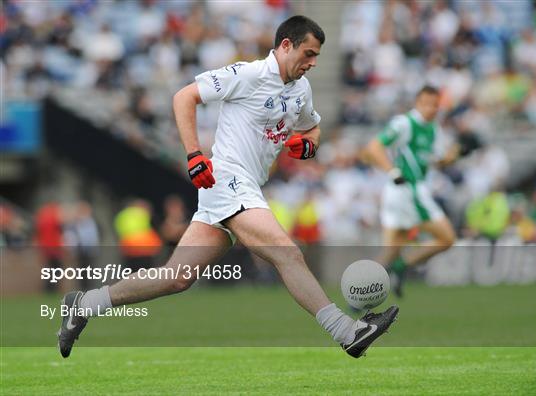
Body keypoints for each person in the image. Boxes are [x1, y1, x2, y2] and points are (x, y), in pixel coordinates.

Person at [58, 15, 398, 359]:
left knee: (176, 277)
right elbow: (184, 97)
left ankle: (85, 303)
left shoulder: (301, 90)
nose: (312, 63)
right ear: (285, 46)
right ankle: (348, 331)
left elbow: (313, 128)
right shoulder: (249, 75)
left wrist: (310, 145)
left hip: (248, 186)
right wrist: (194, 154)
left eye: (316, 57)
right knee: (287, 252)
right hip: (227, 179)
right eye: (308, 54)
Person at [360, 85, 457, 297]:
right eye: (427, 104)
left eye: (435, 104)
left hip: (410, 191)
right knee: (447, 237)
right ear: (417, 103)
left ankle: (360, 292)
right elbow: (374, 147)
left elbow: (434, 161)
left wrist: (451, 157)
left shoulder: (434, 129)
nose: (431, 109)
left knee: (391, 249)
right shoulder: (405, 123)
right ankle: (401, 266)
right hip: (407, 191)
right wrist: (392, 170)